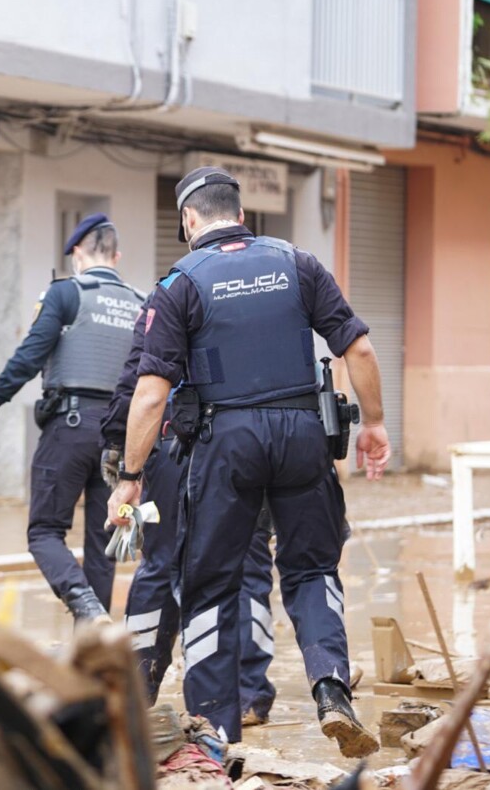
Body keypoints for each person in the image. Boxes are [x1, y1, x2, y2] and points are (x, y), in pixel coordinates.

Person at [107, 167, 390, 755]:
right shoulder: (298, 264)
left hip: (226, 444)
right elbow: (357, 347)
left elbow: (151, 392)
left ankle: (216, 732)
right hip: (302, 434)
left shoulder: (181, 283)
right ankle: (331, 688)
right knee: (311, 569)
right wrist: (377, 424)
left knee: (211, 583)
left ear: (189, 219)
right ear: (240, 212)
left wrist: (130, 479)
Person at [101, 298, 278, 720]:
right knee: (249, 563)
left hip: (177, 446)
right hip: (254, 447)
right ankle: (249, 693)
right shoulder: (272, 292)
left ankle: (135, 692)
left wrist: (120, 450)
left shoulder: (174, 293)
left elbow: (138, 378)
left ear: (191, 226)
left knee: (161, 564)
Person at [0, 213, 145, 624]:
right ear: (116, 255)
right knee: (104, 539)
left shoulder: (66, 293)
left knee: (44, 532)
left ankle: (83, 605)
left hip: (70, 427)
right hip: (120, 440)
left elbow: (29, 357)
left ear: (78, 254)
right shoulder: (142, 302)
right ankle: (95, 638)